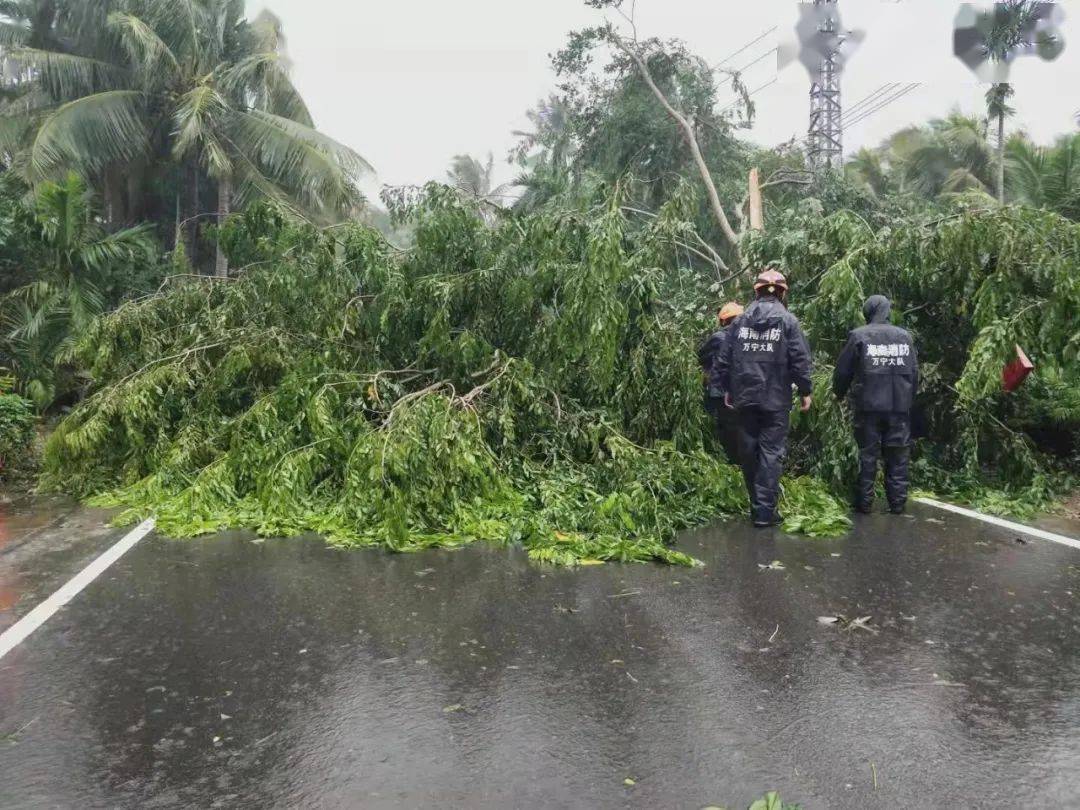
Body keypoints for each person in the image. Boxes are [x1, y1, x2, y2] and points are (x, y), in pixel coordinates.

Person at [717, 269, 813, 528]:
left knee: (749, 452)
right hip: (776, 400)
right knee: (771, 453)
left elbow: (723, 360)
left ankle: (757, 506)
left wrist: (727, 388)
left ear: (756, 292)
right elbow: (800, 359)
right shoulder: (788, 321)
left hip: (745, 398)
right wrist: (805, 391)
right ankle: (764, 512)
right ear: (782, 293)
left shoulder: (739, 322)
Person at [832, 295, 919, 515]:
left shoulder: (859, 336)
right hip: (899, 407)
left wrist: (838, 393)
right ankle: (897, 504)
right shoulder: (904, 337)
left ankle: (864, 503)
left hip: (868, 407)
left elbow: (844, 370)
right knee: (898, 456)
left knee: (867, 454)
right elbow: (914, 372)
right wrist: (908, 398)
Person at [697, 301, 744, 464]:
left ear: (723, 321)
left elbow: (701, 355)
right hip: (743, 392)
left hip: (720, 392)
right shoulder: (748, 339)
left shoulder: (718, 337)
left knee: (720, 428)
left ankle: (725, 460)